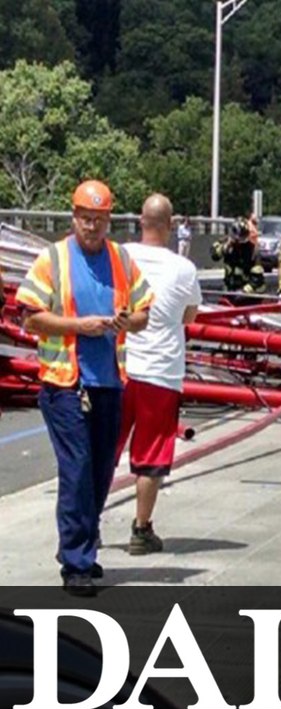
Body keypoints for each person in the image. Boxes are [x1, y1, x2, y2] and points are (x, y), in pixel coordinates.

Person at [15, 180, 153, 596]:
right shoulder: (52, 259)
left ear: (109, 219)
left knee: (100, 471)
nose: (92, 227)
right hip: (65, 383)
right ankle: (76, 561)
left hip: (109, 380)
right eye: (85, 219)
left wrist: (129, 321)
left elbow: (145, 310)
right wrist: (80, 326)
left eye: (99, 219)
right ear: (73, 217)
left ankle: (82, 549)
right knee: (77, 471)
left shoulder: (121, 259)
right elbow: (30, 317)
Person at [115, 195, 202, 556]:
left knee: (104, 449)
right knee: (150, 456)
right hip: (160, 373)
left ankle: (83, 527)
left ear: (140, 221)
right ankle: (141, 529)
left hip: (117, 369)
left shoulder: (119, 257)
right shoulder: (183, 268)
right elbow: (190, 317)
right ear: (170, 226)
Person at [211, 218, 266, 297]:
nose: (238, 243)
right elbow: (214, 255)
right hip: (230, 288)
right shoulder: (225, 243)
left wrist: (244, 291)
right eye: (236, 240)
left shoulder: (252, 250)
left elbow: (257, 279)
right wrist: (226, 246)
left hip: (250, 293)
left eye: (241, 239)